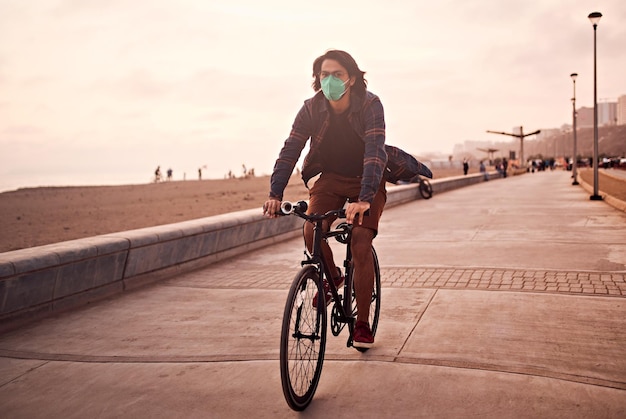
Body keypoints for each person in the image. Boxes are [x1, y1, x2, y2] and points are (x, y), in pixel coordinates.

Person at [262, 50, 388, 349]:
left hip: (366, 179)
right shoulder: (311, 109)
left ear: (352, 78)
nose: (329, 80)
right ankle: (333, 279)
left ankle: (362, 324)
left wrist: (366, 199)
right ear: (317, 79)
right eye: (324, 75)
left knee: (359, 240)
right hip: (329, 176)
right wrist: (275, 194)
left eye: (337, 74)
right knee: (311, 230)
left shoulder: (370, 104)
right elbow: (290, 149)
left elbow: (374, 152)